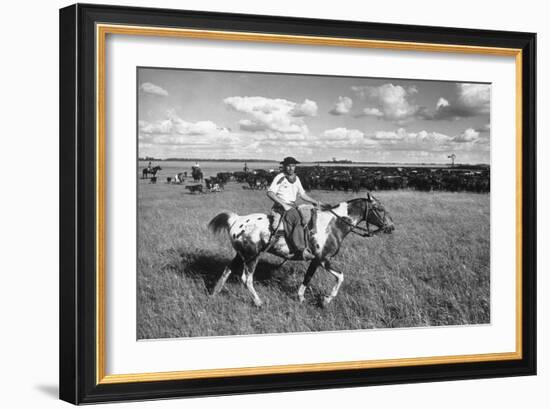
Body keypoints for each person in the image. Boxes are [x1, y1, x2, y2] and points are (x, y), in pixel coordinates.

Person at [267, 157, 322, 260]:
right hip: (281, 206)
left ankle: (310, 243)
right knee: (297, 217)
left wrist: (315, 202)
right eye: (288, 166)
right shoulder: (280, 177)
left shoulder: (296, 179)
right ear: (284, 166)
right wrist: (284, 205)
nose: (291, 168)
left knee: (311, 212)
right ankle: (300, 250)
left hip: (291, 205)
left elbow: (303, 195)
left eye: (293, 166)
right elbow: (270, 193)